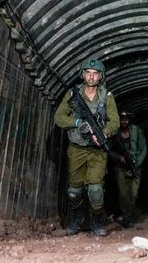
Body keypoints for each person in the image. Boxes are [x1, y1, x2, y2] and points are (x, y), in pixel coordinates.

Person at [54, 58, 120, 236]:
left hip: (97, 151)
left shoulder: (107, 97)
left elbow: (115, 122)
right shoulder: (72, 94)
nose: (91, 77)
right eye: (88, 73)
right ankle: (77, 219)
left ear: (100, 77)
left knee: (96, 189)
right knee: (74, 191)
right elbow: (59, 117)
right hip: (76, 148)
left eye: (95, 74)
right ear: (82, 75)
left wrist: (104, 134)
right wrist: (76, 122)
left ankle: (97, 221)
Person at [109, 111, 147, 228]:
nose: (124, 121)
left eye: (126, 119)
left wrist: (136, 164)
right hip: (121, 168)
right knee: (124, 194)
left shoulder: (136, 131)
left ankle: (127, 213)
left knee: (134, 194)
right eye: (122, 119)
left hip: (135, 167)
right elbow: (108, 150)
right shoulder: (114, 132)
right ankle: (127, 217)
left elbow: (143, 148)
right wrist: (118, 157)